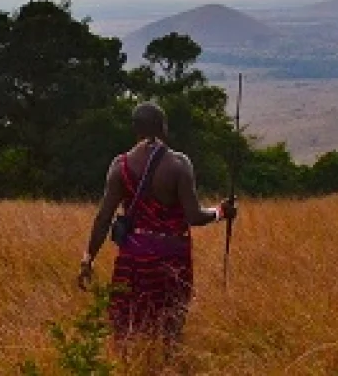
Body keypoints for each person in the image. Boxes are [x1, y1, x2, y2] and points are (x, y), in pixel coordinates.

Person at [77, 101, 237, 345]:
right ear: (163, 128)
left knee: (127, 326)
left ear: (135, 129)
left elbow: (103, 218)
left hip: (133, 256)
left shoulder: (119, 166)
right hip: (173, 257)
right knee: (170, 327)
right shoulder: (179, 164)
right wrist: (221, 212)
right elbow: (193, 216)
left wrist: (88, 258)